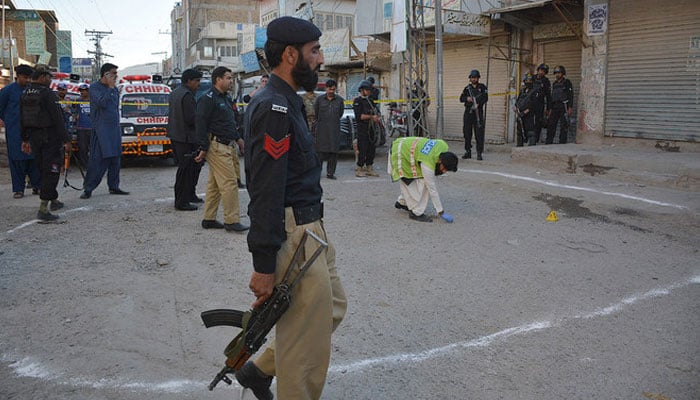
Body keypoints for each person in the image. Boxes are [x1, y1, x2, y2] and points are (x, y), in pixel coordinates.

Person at [239, 16, 347, 400]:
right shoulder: (274, 108)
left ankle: (258, 369)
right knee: (305, 355)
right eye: (314, 51)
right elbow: (266, 191)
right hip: (293, 232)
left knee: (332, 306)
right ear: (290, 55)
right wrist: (264, 264)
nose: (320, 59)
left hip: (311, 228)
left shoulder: (289, 102)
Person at [196, 66, 249, 232]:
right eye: (228, 78)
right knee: (230, 183)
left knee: (214, 185)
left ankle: (209, 218)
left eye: (231, 78)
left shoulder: (226, 98)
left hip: (228, 144)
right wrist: (203, 148)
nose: (231, 81)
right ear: (218, 79)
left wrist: (239, 139)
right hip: (217, 146)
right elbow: (201, 124)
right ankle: (231, 221)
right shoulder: (208, 99)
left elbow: (230, 122)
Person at [19, 69, 71, 221]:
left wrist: (24, 139)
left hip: (35, 138)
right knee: (52, 171)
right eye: (49, 78)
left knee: (43, 169)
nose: (51, 81)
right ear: (42, 77)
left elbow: (22, 119)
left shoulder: (25, 93)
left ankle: (53, 200)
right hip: (50, 138)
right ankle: (43, 209)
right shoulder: (47, 94)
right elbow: (58, 119)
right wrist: (66, 140)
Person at [80, 63, 129, 199]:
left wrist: (112, 88)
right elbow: (101, 103)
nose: (116, 76)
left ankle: (114, 186)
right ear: (106, 74)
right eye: (113, 73)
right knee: (97, 161)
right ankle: (88, 188)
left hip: (114, 130)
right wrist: (109, 88)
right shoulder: (95, 88)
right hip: (101, 131)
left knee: (115, 159)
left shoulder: (114, 90)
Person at [388, 137, 458, 223]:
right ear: (440, 161)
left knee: (415, 181)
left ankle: (402, 202)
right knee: (416, 183)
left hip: (403, 144)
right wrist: (440, 211)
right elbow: (432, 189)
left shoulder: (443, 145)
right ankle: (416, 212)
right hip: (400, 153)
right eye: (445, 169)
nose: (444, 171)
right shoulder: (427, 164)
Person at [0, 64, 40, 198]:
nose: (28, 80)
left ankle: (37, 186)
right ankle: (18, 189)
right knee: (17, 159)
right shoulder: (7, 91)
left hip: (32, 130)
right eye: (25, 77)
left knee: (33, 158)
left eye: (30, 78)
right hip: (14, 131)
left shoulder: (33, 90)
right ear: (18, 77)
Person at [167, 68, 205, 211]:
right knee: (186, 170)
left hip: (176, 136)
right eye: (197, 81)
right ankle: (182, 201)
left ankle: (189, 195)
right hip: (186, 138)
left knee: (189, 169)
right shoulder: (187, 95)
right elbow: (191, 119)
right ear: (189, 81)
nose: (198, 84)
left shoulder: (175, 93)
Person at [313, 79, 345, 179]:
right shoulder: (319, 99)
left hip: (334, 129)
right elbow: (316, 113)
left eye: (333, 90)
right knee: (320, 152)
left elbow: (340, 113)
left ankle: (330, 173)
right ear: (326, 88)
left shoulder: (339, 100)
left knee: (333, 152)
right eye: (330, 89)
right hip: (322, 129)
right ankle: (317, 173)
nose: (331, 91)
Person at [352, 79, 380, 177]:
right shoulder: (357, 101)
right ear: (362, 90)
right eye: (367, 90)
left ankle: (369, 167)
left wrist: (376, 117)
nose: (369, 92)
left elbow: (375, 111)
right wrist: (372, 117)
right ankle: (359, 168)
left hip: (371, 128)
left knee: (371, 148)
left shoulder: (370, 101)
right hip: (362, 128)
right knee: (362, 149)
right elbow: (360, 116)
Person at [460, 69, 488, 160]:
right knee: (467, 133)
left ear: (478, 78)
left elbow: (485, 97)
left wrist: (479, 103)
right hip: (468, 112)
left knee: (479, 133)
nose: (474, 79)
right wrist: (467, 99)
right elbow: (461, 98)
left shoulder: (482, 87)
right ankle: (468, 151)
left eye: (475, 77)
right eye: (472, 78)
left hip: (478, 113)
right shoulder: (467, 88)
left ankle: (479, 153)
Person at [546, 65, 574, 144]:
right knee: (551, 124)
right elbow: (552, 96)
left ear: (563, 73)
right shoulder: (554, 83)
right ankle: (549, 141)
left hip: (564, 106)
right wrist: (550, 108)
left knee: (563, 125)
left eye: (559, 73)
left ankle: (562, 143)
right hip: (555, 106)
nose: (557, 75)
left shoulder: (567, 82)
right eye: (556, 73)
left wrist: (570, 107)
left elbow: (570, 95)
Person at [514, 72, 541, 147]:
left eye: (530, 81)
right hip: (520, 114)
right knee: (520, 132)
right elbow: (518, 100)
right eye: (526, 81)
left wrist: (526, 111)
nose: (528, 82)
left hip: (529, 115)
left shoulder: (535, 91)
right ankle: (519, 148)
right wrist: (515, 107)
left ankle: (531, 149)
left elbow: (534, 104)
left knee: (531, 132)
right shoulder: (523, 90)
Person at [73, 83, 92, 167]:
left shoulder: (93, 101)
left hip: (92, 128)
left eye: (83, 91)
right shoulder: (77, 101)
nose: (82, 93)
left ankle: (94, 165)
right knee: (82, 148)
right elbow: (73, 112)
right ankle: (85, 165)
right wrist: (75, 115)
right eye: (81, 91)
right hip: (81, 128)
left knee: (93, 148)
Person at [532, 63, 551, 144]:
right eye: (540, 70)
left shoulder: (546, 81)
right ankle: (528, 137)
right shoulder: (532, 78)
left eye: (544, 71)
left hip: (540, 104)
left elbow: (548, 95)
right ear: (538, 70)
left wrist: (548, 108)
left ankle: (535, 139)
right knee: (528, 121)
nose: (541, 72)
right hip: (530, 103)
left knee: (538, 122)